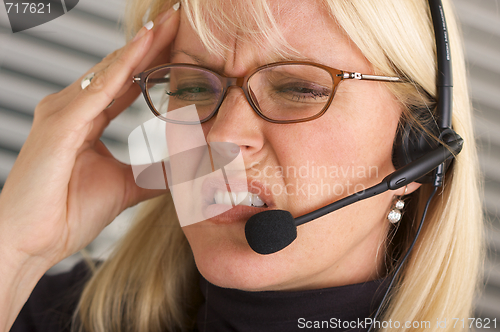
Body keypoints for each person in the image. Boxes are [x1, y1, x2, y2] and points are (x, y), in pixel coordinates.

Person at [0, 0, 483, 331]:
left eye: (298, 88)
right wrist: (16, 248)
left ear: (417, 146)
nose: (223, 136)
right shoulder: (46, 311)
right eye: (191, 87)